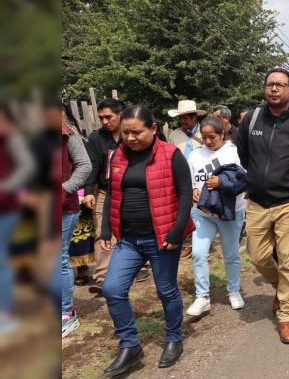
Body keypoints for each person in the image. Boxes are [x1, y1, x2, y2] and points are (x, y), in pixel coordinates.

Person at [98, 105, 195, 375]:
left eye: (136, 132)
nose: (130, 138)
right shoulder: (117, 155)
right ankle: (130, 346)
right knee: (112, 289)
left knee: (166, 290)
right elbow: (111, 193)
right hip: (128, 239)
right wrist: (105, 230)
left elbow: (185, 194)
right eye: (126, 132)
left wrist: (177, 232)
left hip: (162, 238)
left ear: (153, 128)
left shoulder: (171, 154)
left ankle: (173, 338)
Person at [237, 67, 289, 344]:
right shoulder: (251, 119)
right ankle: (280, 287)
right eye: (270, 84)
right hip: (257, 202)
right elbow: (245, 156)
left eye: (280, 85)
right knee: (257, 256)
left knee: (287, 259)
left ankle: (286, 315)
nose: (274, 88)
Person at [83, 98, 148, 293]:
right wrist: (88, 191)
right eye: (101, 118)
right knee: (101, 231)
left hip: (131, 189)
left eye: (108, 117)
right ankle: (102, 276)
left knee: (133, 226)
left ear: (120, 115)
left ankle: (139, 266)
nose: (104, 121)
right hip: (104, 190)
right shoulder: (96, 138)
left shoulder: (133, 134)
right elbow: (93, 166)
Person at [185, 116, 246, 316]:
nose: (208, 141)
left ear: (222, 134)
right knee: (198, 253)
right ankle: (202, 297)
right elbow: (189, 180)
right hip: (202, 212)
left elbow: (244, 180)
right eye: (204, 137)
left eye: (212, 137)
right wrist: (193, 189)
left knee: (231, 254)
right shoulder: (195, 155)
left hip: (230, 212)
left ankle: (234, 291)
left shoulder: (235, 152)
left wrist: (222, 183)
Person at [0, 104, 34, 335]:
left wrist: (5, 187)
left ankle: (6, 312)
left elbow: (27, 167)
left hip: (7, 208)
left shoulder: (12, 139)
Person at [59, 103, 91, 338]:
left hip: (62, 207)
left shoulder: (68, 135)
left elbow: (85, 166)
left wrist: (64, 189)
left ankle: (66, 314)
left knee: (58, 260)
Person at [167, 100, 206, 259]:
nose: (182, 121)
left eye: (185, 118)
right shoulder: (174, 136)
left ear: (194, 117)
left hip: (201, 177)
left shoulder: (205, 133)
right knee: (184, 210)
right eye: (180, 118)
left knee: (202, 209)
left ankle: (203, 241)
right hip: (181, 178)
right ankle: (188, 243)